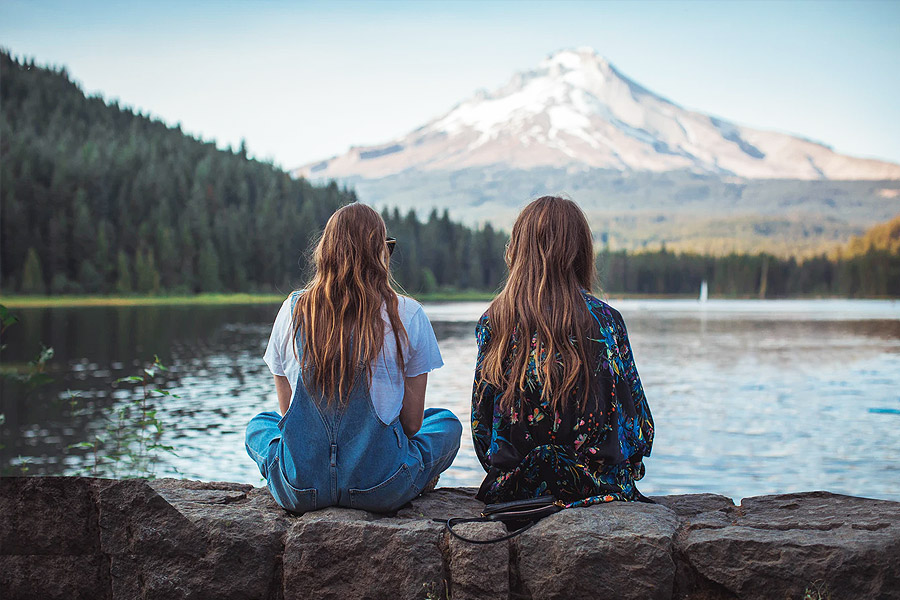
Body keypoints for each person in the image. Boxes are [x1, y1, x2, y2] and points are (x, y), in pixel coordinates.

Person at [246, 203, 462, 514]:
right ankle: (414, 475)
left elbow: (287, 416)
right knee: (445, 423)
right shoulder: (408, 314)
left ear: (326, 252)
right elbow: (413, 425)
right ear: (380, 255)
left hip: (302, 489)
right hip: (380, 488)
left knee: (260, 424)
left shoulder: (293, 310)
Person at [471, 196, 654, 507]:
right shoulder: (606, 321)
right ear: (580, 253)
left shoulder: (494, 321)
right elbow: (640, 428)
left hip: (516, 489)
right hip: (597, 487)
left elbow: (481, 427)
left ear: (518, 250)